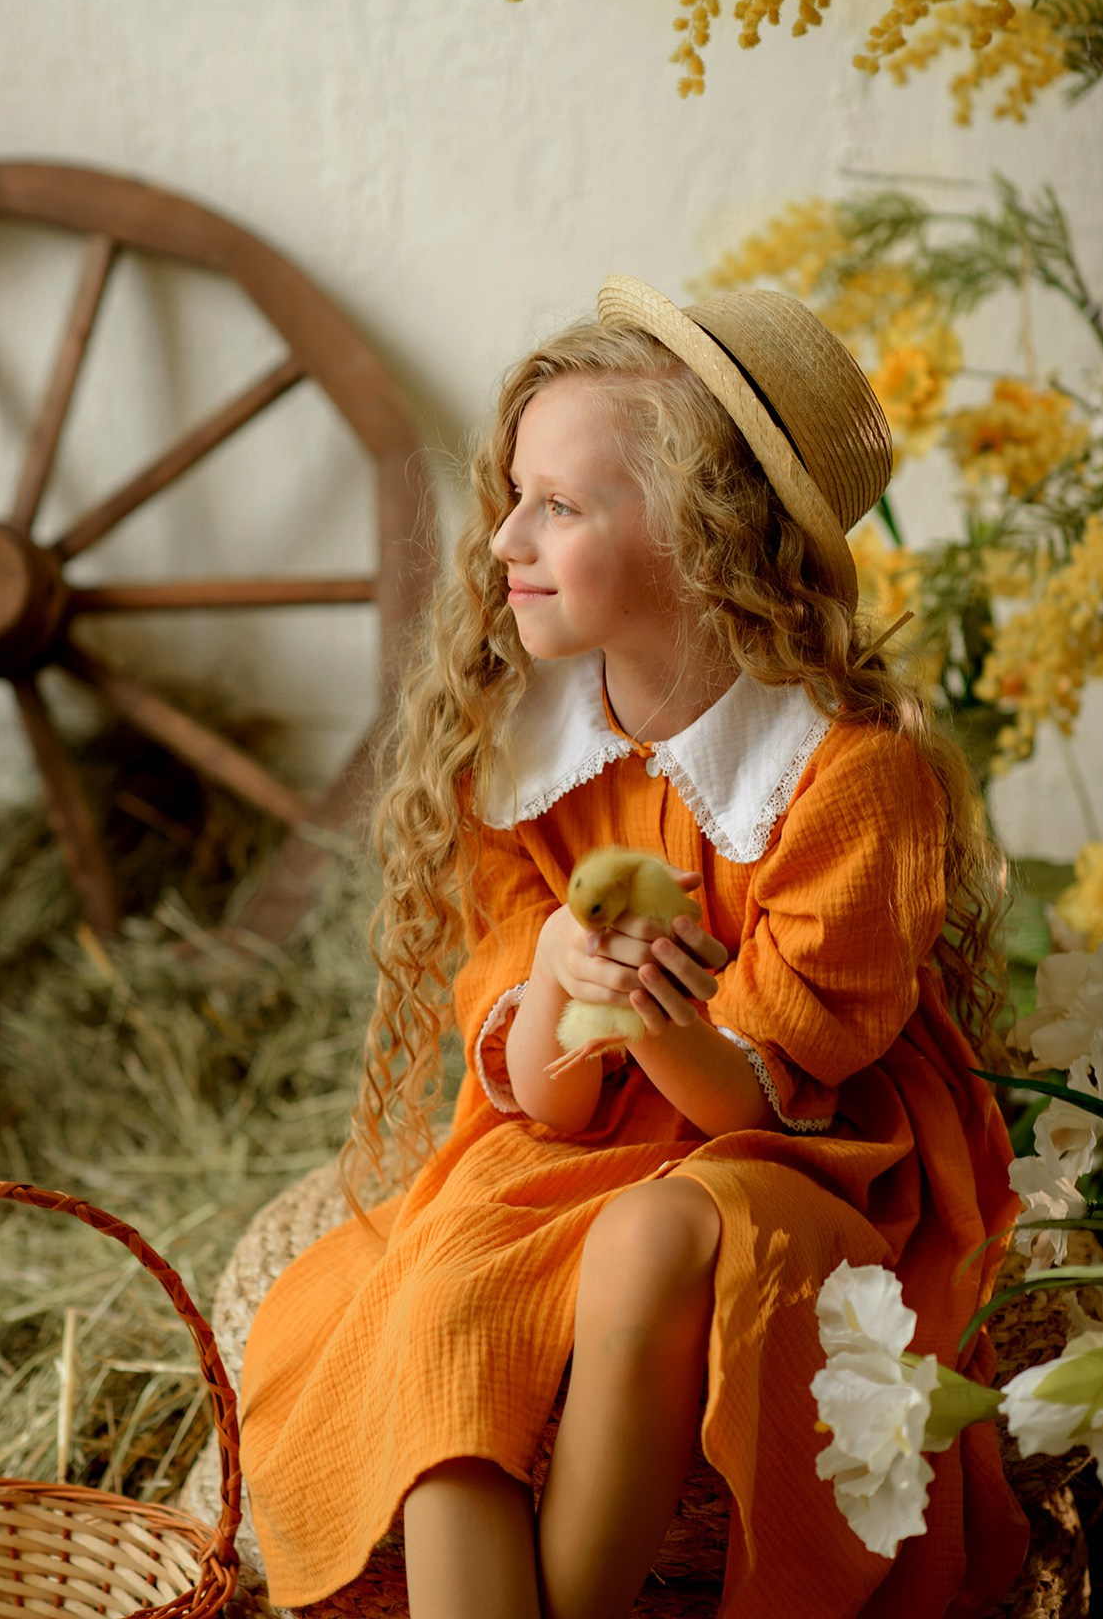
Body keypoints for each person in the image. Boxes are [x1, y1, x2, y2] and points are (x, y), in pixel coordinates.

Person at [239, 275, 1029, 1619]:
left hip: (792, 1154)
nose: (503, 541)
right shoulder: (523, 754)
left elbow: (765, 1095)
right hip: (573, 1140)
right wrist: (554, 974)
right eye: (513, 498)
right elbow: (534, 1100)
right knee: (443, 1300)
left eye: (560, 507)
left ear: (702, 538)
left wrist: (658, 1016)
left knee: (660, 1233)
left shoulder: (843, 777)